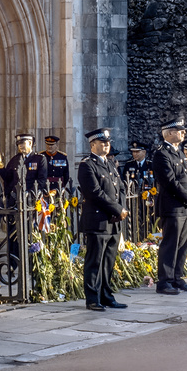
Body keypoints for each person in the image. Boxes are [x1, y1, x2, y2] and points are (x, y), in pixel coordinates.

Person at [76, 127, 127, 312]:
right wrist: (117, 208)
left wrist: (121, 208)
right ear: (92, 145)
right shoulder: (87, 165)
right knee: (94, 262)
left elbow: (120, 187)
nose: (106, 145)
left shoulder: (110, 163)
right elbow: (95, 193)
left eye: (107, 142)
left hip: (112, 221)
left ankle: (106, 295)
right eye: (102, 143)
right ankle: (92, 299)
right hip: (97, 222)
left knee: (108, 262)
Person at [151, 116, 187, 295]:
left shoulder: (178, 152)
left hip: (184, 206)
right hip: (172, 206)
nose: (183, 133)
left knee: (183, 244)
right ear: (169, 133)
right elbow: (170, 182)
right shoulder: (161, 154)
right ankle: (164, 281)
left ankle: (177, 277)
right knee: (171, 244)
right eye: (180, 131)